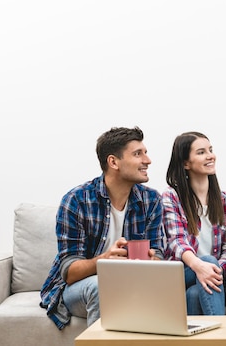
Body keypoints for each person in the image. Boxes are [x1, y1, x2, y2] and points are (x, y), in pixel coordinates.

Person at [40, 126, 165, 329]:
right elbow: (69, 271)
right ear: (113, 162)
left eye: (146, 153)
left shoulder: (151, 200)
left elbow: (158, 250)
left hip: (133, 283)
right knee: (102, 287)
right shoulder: (77, 200)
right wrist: (104, 261)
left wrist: (154, 260)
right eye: (137, 154)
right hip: (81, 287)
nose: (147, 160)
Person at [162, 131, 226, 315]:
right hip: (182, 273)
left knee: (195, 294)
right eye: (201, 152)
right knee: (207, 260)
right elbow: (176, 241)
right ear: (185, 163)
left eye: (210, 150)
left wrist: (211, 270)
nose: (210, 156)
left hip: (214, 276)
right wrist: (200, 265)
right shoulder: (172, 197)